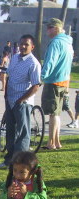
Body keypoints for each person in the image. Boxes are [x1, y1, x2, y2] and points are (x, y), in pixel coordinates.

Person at [0, 35, 41, 170]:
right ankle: (9, 160)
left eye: (26, 45)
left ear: (32, 47)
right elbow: (9, 75)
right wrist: (5, 94)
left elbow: (36, 86)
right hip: (10, 100)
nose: (22, 47)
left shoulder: (34, 63)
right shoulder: (15, 57)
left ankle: (20, 162)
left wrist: (21, 100)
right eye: (21, 44)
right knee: (10, 131)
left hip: (23, 103)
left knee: (22, 133)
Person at [41, 18, 74, 150]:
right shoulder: (68, 43)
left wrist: (42, 76)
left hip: (53, 81)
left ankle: (51, 143)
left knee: (52, 113)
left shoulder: (55, 43)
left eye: (49, 27)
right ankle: (57, 141)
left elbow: (50, 61)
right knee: (57, 113)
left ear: (56, 28)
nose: (47, 30)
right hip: (63, 81)